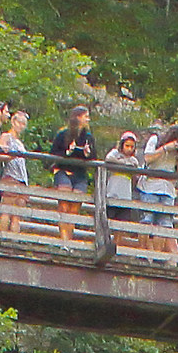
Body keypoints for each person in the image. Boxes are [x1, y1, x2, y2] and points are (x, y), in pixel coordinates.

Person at [138, 120, 178, 259]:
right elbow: (148, 158)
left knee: (164, 224)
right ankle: (142, 255)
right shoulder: (156, 139)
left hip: (168, 189)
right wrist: (166, 148)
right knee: (147, 220)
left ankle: (156, 255)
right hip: (150, 187)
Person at [50, 105, 96, 242]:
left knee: (74, 209)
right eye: (86, 116)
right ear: (78, 117)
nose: (88, 119)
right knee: (64, 206)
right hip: (63, 171)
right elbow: (53, 154)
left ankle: (68, 240)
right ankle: (64, 240)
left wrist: (87, 154)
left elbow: (94, 157)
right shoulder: (62, 134)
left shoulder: (88, 137)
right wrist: (67, 152)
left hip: (80, 175)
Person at [103, 130, 143, 250]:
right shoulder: (115, 154)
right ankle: (105, 243)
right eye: (127, 146)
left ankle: (116, 244)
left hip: (125, 196)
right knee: (108, 220)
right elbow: (108, 159)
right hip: (112, 193)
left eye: (132, 147)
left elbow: (136, 169)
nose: (129, 149)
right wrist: (123, 162)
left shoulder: (134, 160)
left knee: (121, 223)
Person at [0, 111, 32, 235]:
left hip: (22, 180)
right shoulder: (7, 136)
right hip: (10, 177)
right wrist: (10, 156)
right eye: (19, 122)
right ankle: (2, 240)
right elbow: (0, 153)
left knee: (17, 215)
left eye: (24, 124)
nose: (21, 126)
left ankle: (13, 242)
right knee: (6, 211)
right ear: (13, 122)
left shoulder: (20, 142)